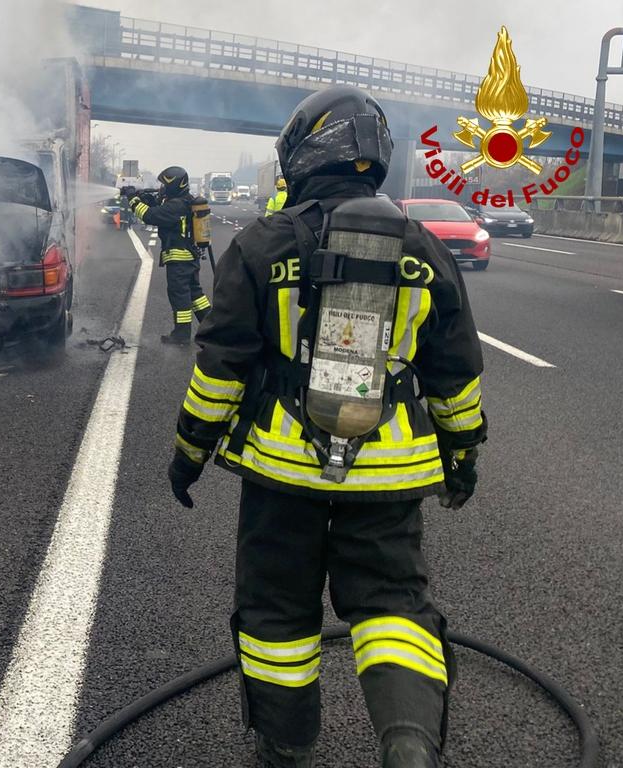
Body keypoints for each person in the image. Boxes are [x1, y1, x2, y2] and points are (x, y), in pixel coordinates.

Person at [165, 85, 487, 768]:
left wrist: (189, 453)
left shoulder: (262, 245)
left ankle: (285, 748)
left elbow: (221, 368)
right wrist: (462, 457)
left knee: (277, 613)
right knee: (395, 607)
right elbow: (456, 373)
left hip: (283, 474)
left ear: (304, 152)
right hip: (391, 476)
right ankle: (409, 745)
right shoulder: (423, 249)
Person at [122, 167, 211, 344]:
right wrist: (146, 198)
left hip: (179, 259)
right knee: (195, 294)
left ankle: (182, 334)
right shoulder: (183, 201)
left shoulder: (175, 206)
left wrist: (133, 199)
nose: (161, 188)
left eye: (164, 185)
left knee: (179, 295)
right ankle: (212, 328)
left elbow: (149, 216)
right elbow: (159, 208)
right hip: (189, 258)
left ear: (175, 185)